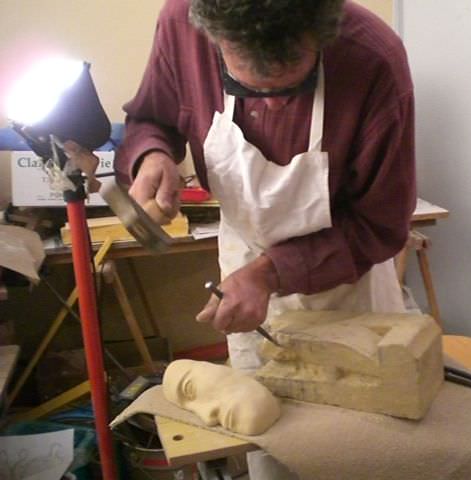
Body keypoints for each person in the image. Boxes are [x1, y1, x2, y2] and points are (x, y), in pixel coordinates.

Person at [115, 0, 416, 372]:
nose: (274, 105)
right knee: (256, 399)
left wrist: (271, 273)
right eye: (245, 87)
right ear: (213, 37)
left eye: (299, 86)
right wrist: (152, 155)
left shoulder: (374, 59)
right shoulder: (182, 24)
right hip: (242, 263)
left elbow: (381, 226)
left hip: (346, 282)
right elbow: (151, 118)